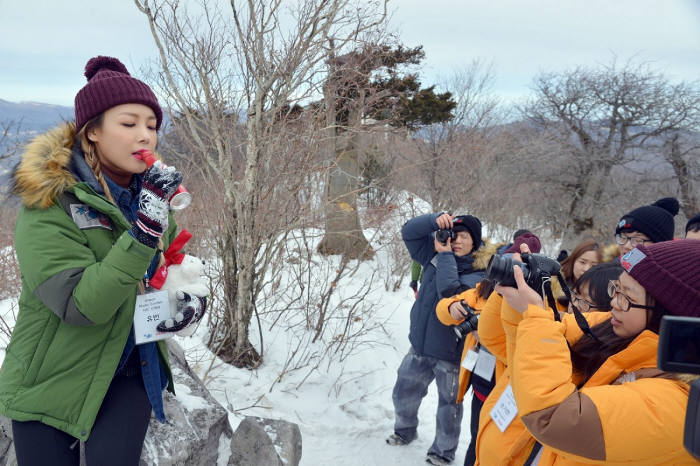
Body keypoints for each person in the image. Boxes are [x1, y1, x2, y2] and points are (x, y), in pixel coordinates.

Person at [0, 56, 198, 465]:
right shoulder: (49, 203)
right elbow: (80, 305)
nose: (145, 136)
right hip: (52, 378)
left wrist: (185, 303)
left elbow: (163, 276)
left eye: (151, 125)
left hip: (128, 371)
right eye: (129, 124)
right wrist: (142, 233)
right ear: (92, 132)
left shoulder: (153, 199)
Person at [495, 239, 700, 465]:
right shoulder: (626, 333)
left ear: (672, 318)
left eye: (627, 297)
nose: (614, 302)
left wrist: (534, 315)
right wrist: (528, 290)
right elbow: (559, 328)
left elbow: (555, 418)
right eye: (616, 288)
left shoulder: (680, 404)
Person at [387, 212, 497, 466]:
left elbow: (450, 292)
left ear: (475, 241)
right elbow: (409, 233)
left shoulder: (482, 273)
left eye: (464, 236)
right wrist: (434, 221)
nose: (456, 240)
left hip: (452, 353)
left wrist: (445, 255)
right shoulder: (433, 255)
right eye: (453, 234)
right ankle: (405, 431)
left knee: (450, 407)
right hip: (420, 345)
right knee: (403, 393)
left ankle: (443, 452)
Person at [436, 231, 541, 466]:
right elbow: (442, 308)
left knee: (496, 447)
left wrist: (487, 333)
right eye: (506, 263)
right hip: (480, 383)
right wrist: (453, 307)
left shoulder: (534, 302)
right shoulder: (485, 289)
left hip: (506, 390)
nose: (509, 271)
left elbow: (530, 345)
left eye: (517, 266)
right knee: (476, 438)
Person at [614, 197, 679, 257]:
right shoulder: (611, 268)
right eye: (623, 238)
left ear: (661, 246)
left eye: (638, 240)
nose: (626, 246)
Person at [556, 239, 602, 308]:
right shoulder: (553, 283)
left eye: (594, 266)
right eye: (582, 262)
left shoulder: (601, 294)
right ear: (573, 260)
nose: (586, 269)